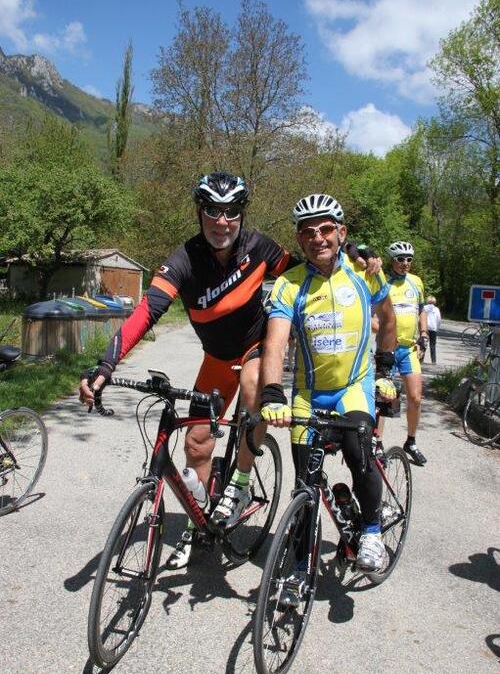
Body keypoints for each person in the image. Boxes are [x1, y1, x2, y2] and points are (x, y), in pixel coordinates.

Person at [79, 173, 376, 569]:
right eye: (212, 212)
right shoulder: (183, 261)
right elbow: (146, 312)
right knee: (197, 443)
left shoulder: (260, 248)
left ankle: (239, 482)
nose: (222, 222)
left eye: (231, 212)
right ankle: (199, 518)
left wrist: (353, 248)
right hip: (215, 359)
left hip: (255, 348)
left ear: (241, 214)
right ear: (199, 212)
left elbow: (315, 258)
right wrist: (105, 365)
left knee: (255, 385)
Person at [260, 193, 397, 574]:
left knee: (358, 449)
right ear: (300, 240)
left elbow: (388, 321)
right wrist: (272, 394)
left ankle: (371, 531)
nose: (318, 238)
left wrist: (386, 372)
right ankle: (300, 561)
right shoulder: (288, 285)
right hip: (307, 393)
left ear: (341, 232)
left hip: (354, 385)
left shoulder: (365, 275)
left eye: (325, 229)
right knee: (306, 480)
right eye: (308, 232)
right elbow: (274, 341)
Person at [376, 241, 428, 466]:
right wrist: (386, 331)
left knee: (415, 397)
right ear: (392, 260)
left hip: (408, 349)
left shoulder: (416, 282)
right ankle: (376, 444)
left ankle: (411, 441)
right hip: (388, 349)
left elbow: (421, 310)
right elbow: (374, 318)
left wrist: (423, 335)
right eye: (400, 259)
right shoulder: (382, 283)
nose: (405, 263)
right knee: (385, 400)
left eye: (409, 259)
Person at [423, 295, 441, 364]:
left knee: (424, 343)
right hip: (433, 328)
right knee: (432, 345)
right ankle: (433, 361)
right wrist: (437, 327)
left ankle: (421, 359)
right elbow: (438, 319)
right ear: (434, 301)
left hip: (425, 328)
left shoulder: (424, 308)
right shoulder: (436, 309)